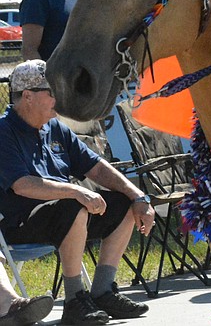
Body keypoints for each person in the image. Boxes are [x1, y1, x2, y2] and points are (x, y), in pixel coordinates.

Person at [0, 61, 152, 325]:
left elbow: (96, 167)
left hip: (63, 216)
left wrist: (138, 196)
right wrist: (76, 192)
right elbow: (22, 185)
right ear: (27, 96)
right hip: (19, 222)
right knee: (74, 206)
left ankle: (103, 291)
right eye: (52, 91)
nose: (60, 98)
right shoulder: (4, 131)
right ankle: (74, 300)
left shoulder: (55, 128)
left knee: (123, 202)